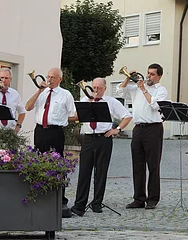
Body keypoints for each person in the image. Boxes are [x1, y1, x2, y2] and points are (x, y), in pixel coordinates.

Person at [71, 78, 132, 216]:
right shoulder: (84, 100)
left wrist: (117, 129)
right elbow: (76, 116)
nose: (96, 90)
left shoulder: (110, 102)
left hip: (103, 138)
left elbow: (127, 116)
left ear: (105, 88)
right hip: (88, 138)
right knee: (84, 172)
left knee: (101, 172)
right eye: (94, 87)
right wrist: (88, 101)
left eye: (99, 87)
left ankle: (97, 203)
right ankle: (79, 205)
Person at [25, 67, 76, 218]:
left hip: (55, 131)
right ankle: (39, 194)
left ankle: (59, 198)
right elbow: (28, 107)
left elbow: (73, 114)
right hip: (40, 130)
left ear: (60, 79)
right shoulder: (42, 93)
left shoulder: (65, 94)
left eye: (53, 77)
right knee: (38, 162)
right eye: (48, 77)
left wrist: (61, 118)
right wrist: (39, 91)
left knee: (57, 164)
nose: (49, 80)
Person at [116, 63, 167, 210]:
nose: (149, 76)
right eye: (148, 73)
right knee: (137, 165)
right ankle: (138, 198)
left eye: (152, 74)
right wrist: (127, 77)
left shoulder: (161, 90)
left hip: (154, 128)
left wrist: (144, 89)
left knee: (153, 165)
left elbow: (155, 105)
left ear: (159, 76)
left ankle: (152, 199)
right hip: (138, 129)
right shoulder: (136, 88)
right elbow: (120, 91)